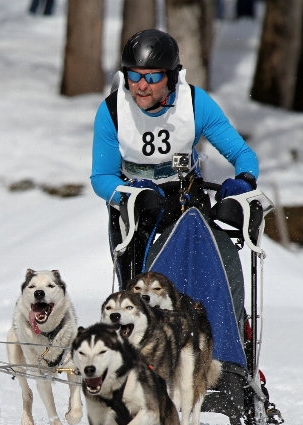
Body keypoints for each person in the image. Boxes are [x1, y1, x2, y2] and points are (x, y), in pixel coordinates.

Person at [91, 29, 259, 288]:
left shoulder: (195, 103)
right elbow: (101, 177)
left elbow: (242, 154)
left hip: (184, 196)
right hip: (134, 200)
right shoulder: (112, 110)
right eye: (133, 75)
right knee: (136, 289)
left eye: (152, 76)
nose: (141, 86)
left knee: (207, 278)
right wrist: (127, 194)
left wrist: (244, 180)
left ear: (170, 77)